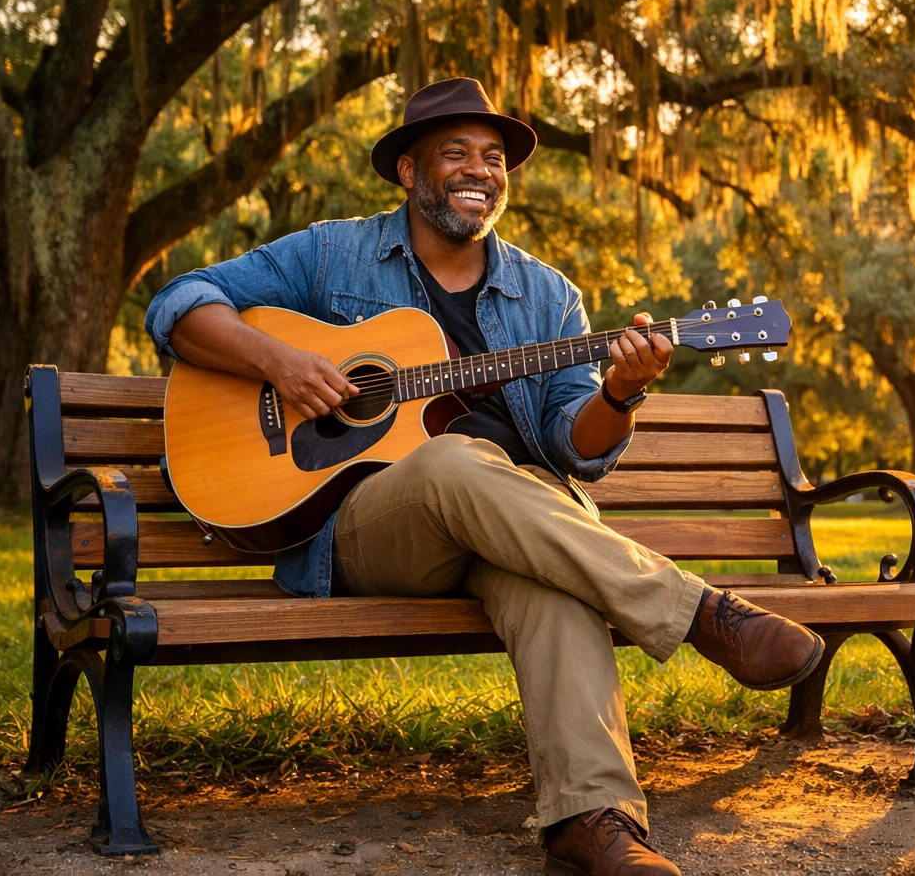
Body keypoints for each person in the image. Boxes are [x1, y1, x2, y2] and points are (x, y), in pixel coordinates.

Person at [144, 77, 825, 876]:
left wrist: (622, 391)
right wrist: (284, 364)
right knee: (455, 457)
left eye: (494, 156)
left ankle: (591, 822)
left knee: (553, 581)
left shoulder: (548, 293)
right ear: (409, 170)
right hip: (372, 528)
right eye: (457, 152)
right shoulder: (333, 253)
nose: (481, 168)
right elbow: (180, 301)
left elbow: (578, 449)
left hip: (512, 528)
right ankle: (701, 612)